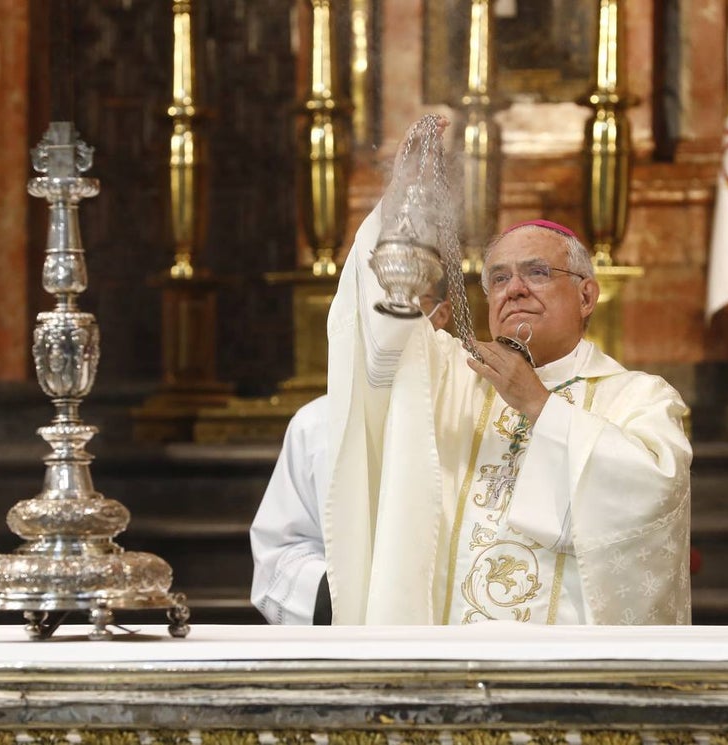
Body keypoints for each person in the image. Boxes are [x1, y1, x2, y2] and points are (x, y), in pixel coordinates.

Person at [321, 116, 693, 626]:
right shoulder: (452, 373)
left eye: (537, 273)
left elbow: (653, 490)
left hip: (568, 668)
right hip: (448, 660)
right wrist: (401, 201)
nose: (514, 288)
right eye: (498, 278)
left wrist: (540, 406)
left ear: (587, 295)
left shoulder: (639, 398)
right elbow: (376, 326)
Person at [250, 290, 452, 625]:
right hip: (353, 637)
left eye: (404, 301)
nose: (386, 319)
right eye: (375, 301)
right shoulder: (316, 424)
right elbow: (281, 554)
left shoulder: (470, 415)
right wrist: (358, 596)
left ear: (441, 315)